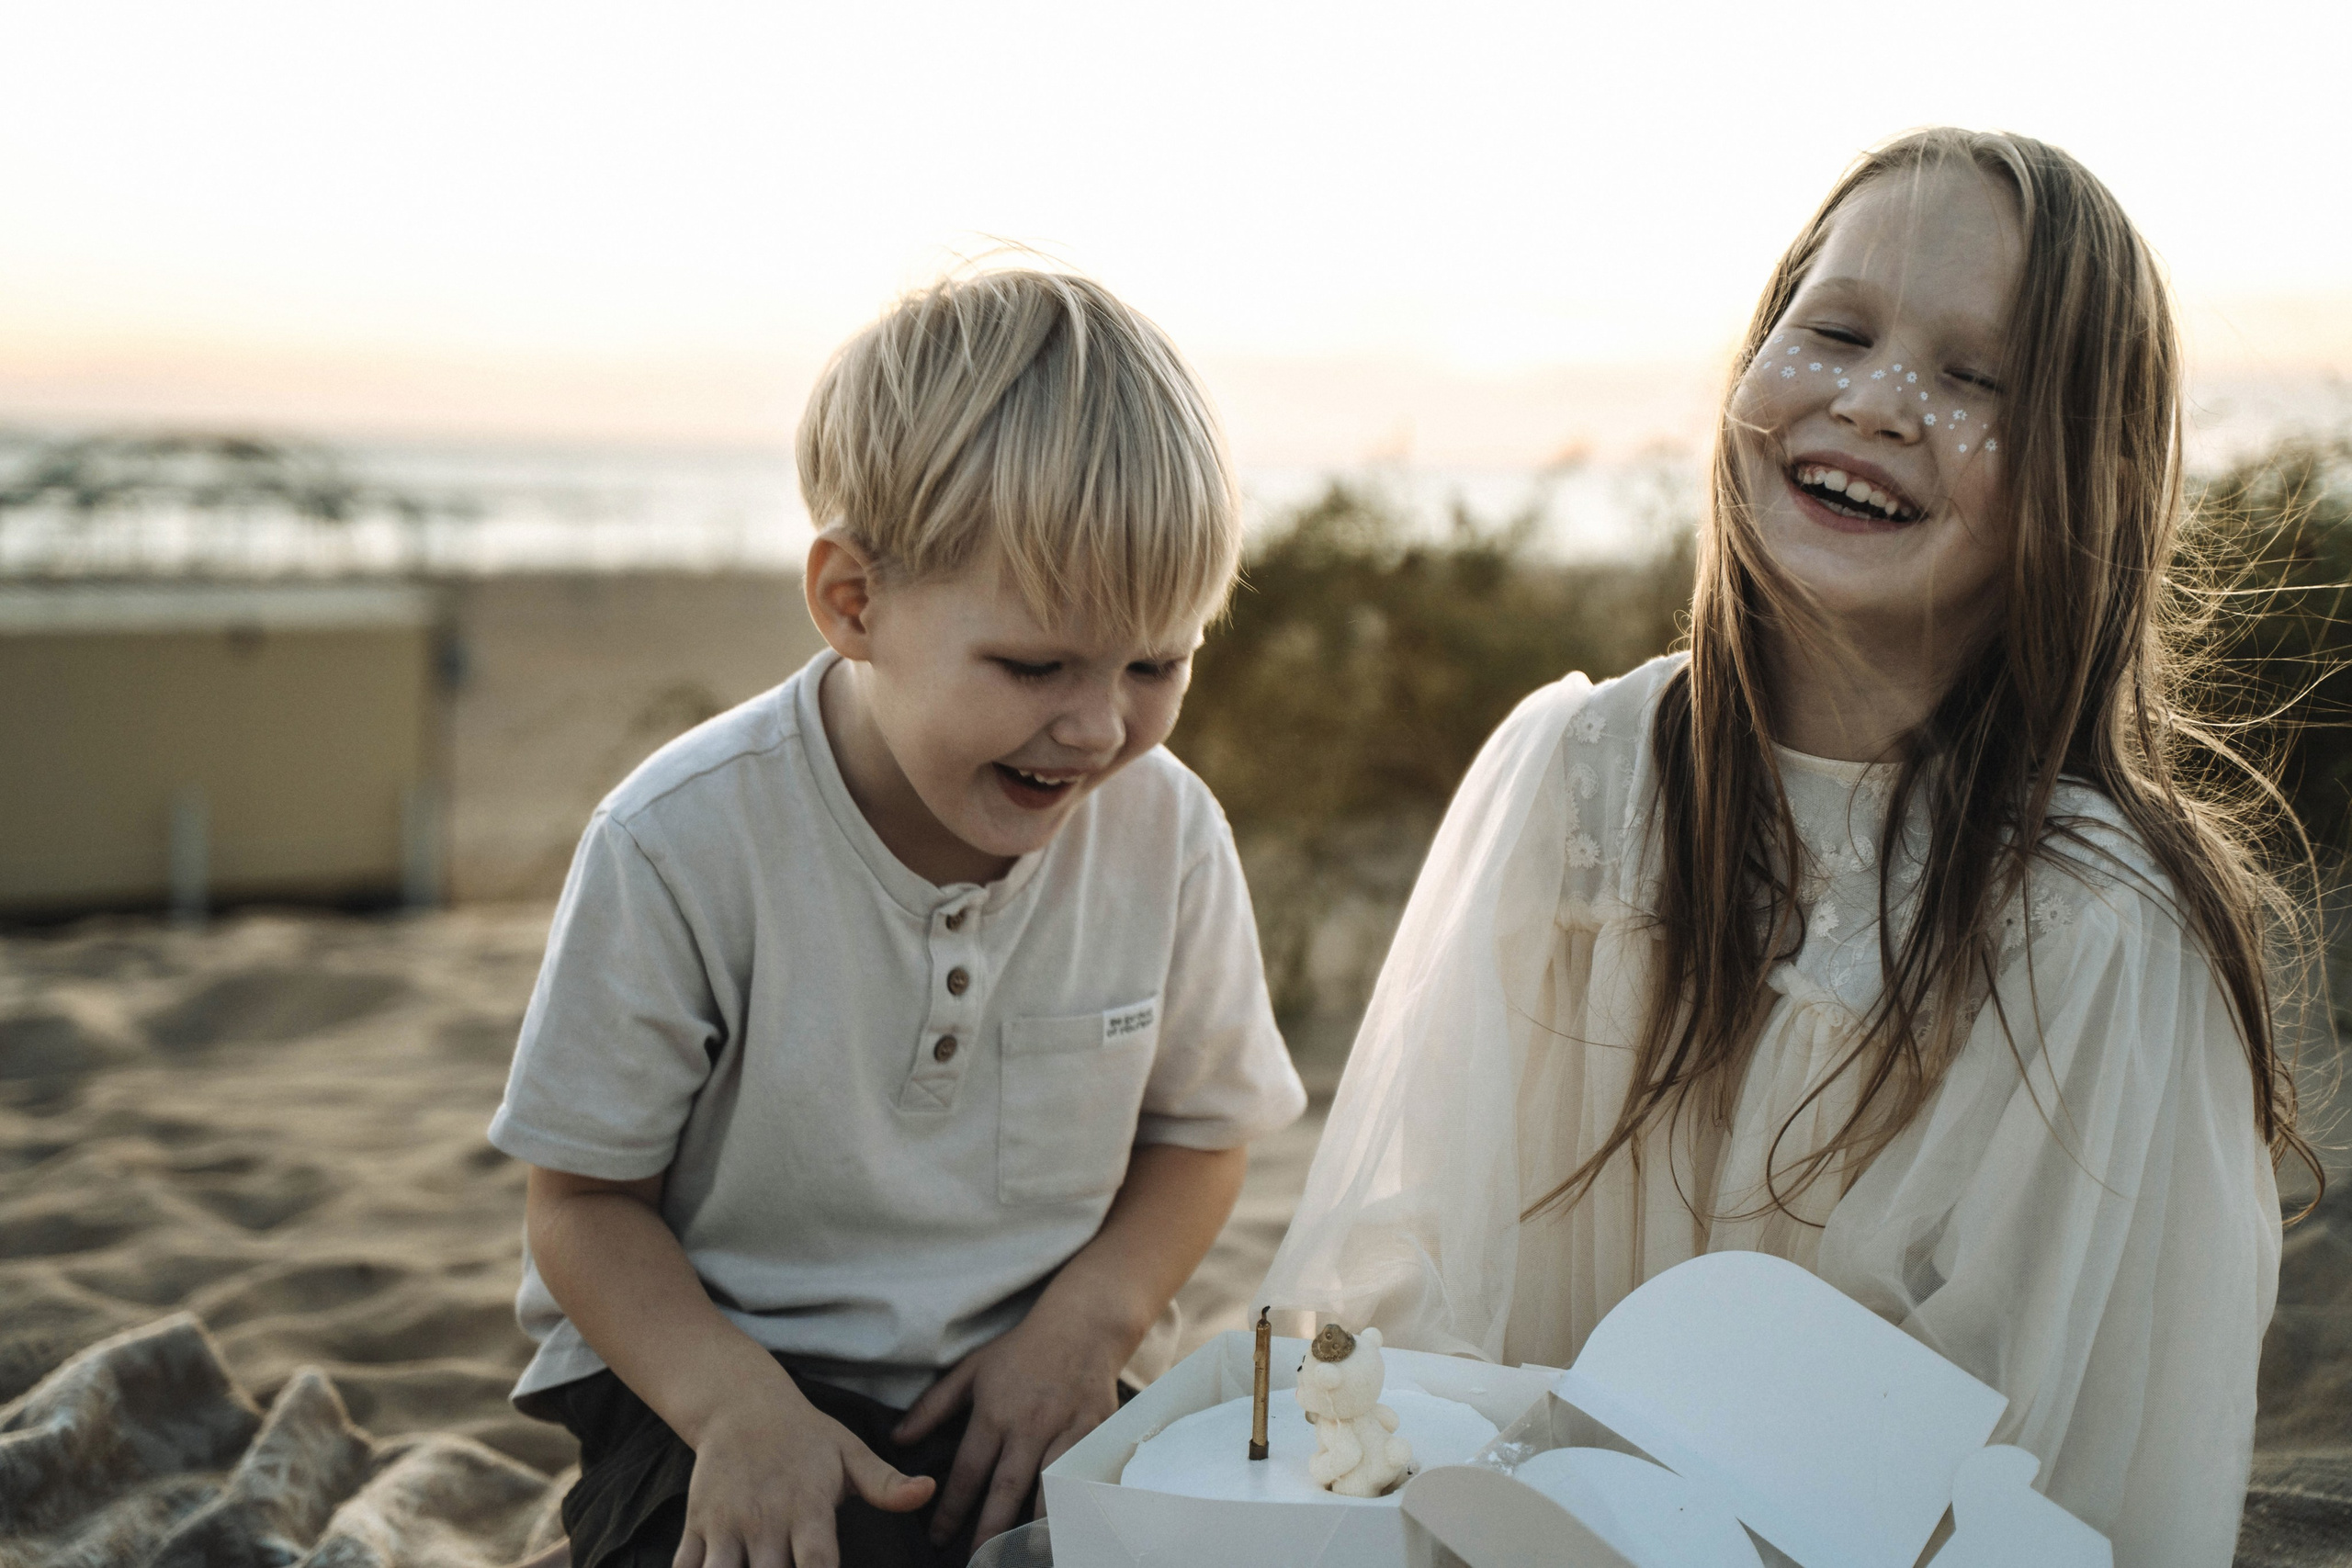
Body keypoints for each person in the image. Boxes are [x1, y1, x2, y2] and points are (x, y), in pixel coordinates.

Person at [1260, 129, 2308, 1567]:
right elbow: (1414, 1263)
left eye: (1975, 378)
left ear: (2080, 478)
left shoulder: (2090, 926)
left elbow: (2034, 1460)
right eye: (1838, 331)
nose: (1875, 401)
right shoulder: (1580, 774)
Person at [491, 268, 1306, 1568]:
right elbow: (583, 1204)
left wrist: (1087, 1327)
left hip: (1035, 1372)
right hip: (715, 1382)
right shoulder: (680, 841)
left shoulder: (1169, 835)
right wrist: (734, 1406)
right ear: (853, 603)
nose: (1099, 727)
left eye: (1158, 664)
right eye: (1035, 665)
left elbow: (1202, 1137)